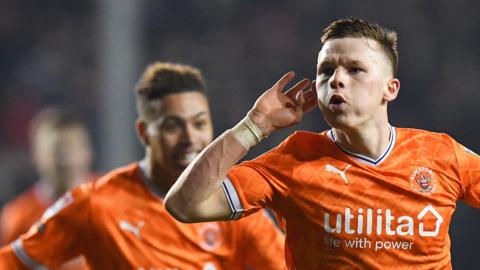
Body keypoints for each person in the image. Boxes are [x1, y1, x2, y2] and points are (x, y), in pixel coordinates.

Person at [165, 18, 480, 269]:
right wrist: (254, 127)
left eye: (354, 69)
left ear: (390, 89)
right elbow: (185, 204)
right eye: (326, 71)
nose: (336, 79)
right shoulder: (292, 162)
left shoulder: (440, 155)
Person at [0, 62, 285, 270]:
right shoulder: (95, 205)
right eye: (173, 125)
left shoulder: (234, 210)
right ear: (144, 132)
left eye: (199, 124)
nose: (190, 138)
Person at [0, 106, 94, 269]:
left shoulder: (116, 202)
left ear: (88, 152)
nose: (65, 160)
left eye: (72, 148)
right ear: (36, 156)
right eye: (55, 151)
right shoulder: (17, 218)